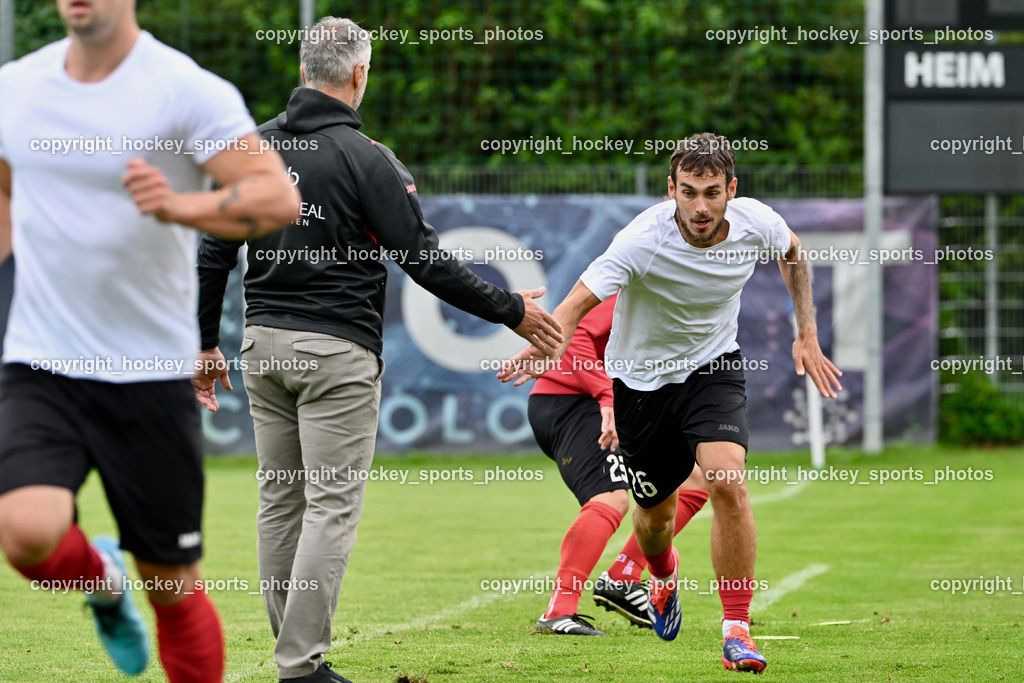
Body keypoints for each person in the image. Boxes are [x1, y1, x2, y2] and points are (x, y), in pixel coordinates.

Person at [191, 17, 562, 683]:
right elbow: (424, 261)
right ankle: (300, 665)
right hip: (336, 352)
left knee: (281, 501)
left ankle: (295, 654)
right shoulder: (368, 159)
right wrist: (511, 310)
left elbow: (212, 251)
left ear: (303, 70)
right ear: (359, 74)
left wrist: (202, 344)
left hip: (263, 349)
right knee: (330, 504)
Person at [0, 1, 300, 681]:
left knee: (171, 586)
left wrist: (178, 205)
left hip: (149, 371)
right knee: (25, 532)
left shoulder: (184, 89)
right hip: (40, 360)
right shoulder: (16, 88)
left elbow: (275, 197)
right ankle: (103, 581)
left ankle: (134, 582)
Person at [500, 132, 842, 673]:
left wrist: (807, 331)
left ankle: (737, 629)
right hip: (640, 385)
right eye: (688, 192)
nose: (700, 207)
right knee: (653, 519)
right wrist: (545, 345)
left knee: (727, 480)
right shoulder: (642, 239)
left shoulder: (758, 222)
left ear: (732, 189)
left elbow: (794, 255)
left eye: (712, 192)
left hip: (713, 370)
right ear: (671, 190)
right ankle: (661, 576)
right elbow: (576, 304)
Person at [528, 293, 710, 636]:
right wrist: (606, 396)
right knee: (611, 496)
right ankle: (559, 610)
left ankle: (624, 576)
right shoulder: (642, 289)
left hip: (617, 404)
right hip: (569, 400)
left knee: (694, 480)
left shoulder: (688, 301)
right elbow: (574, 336)